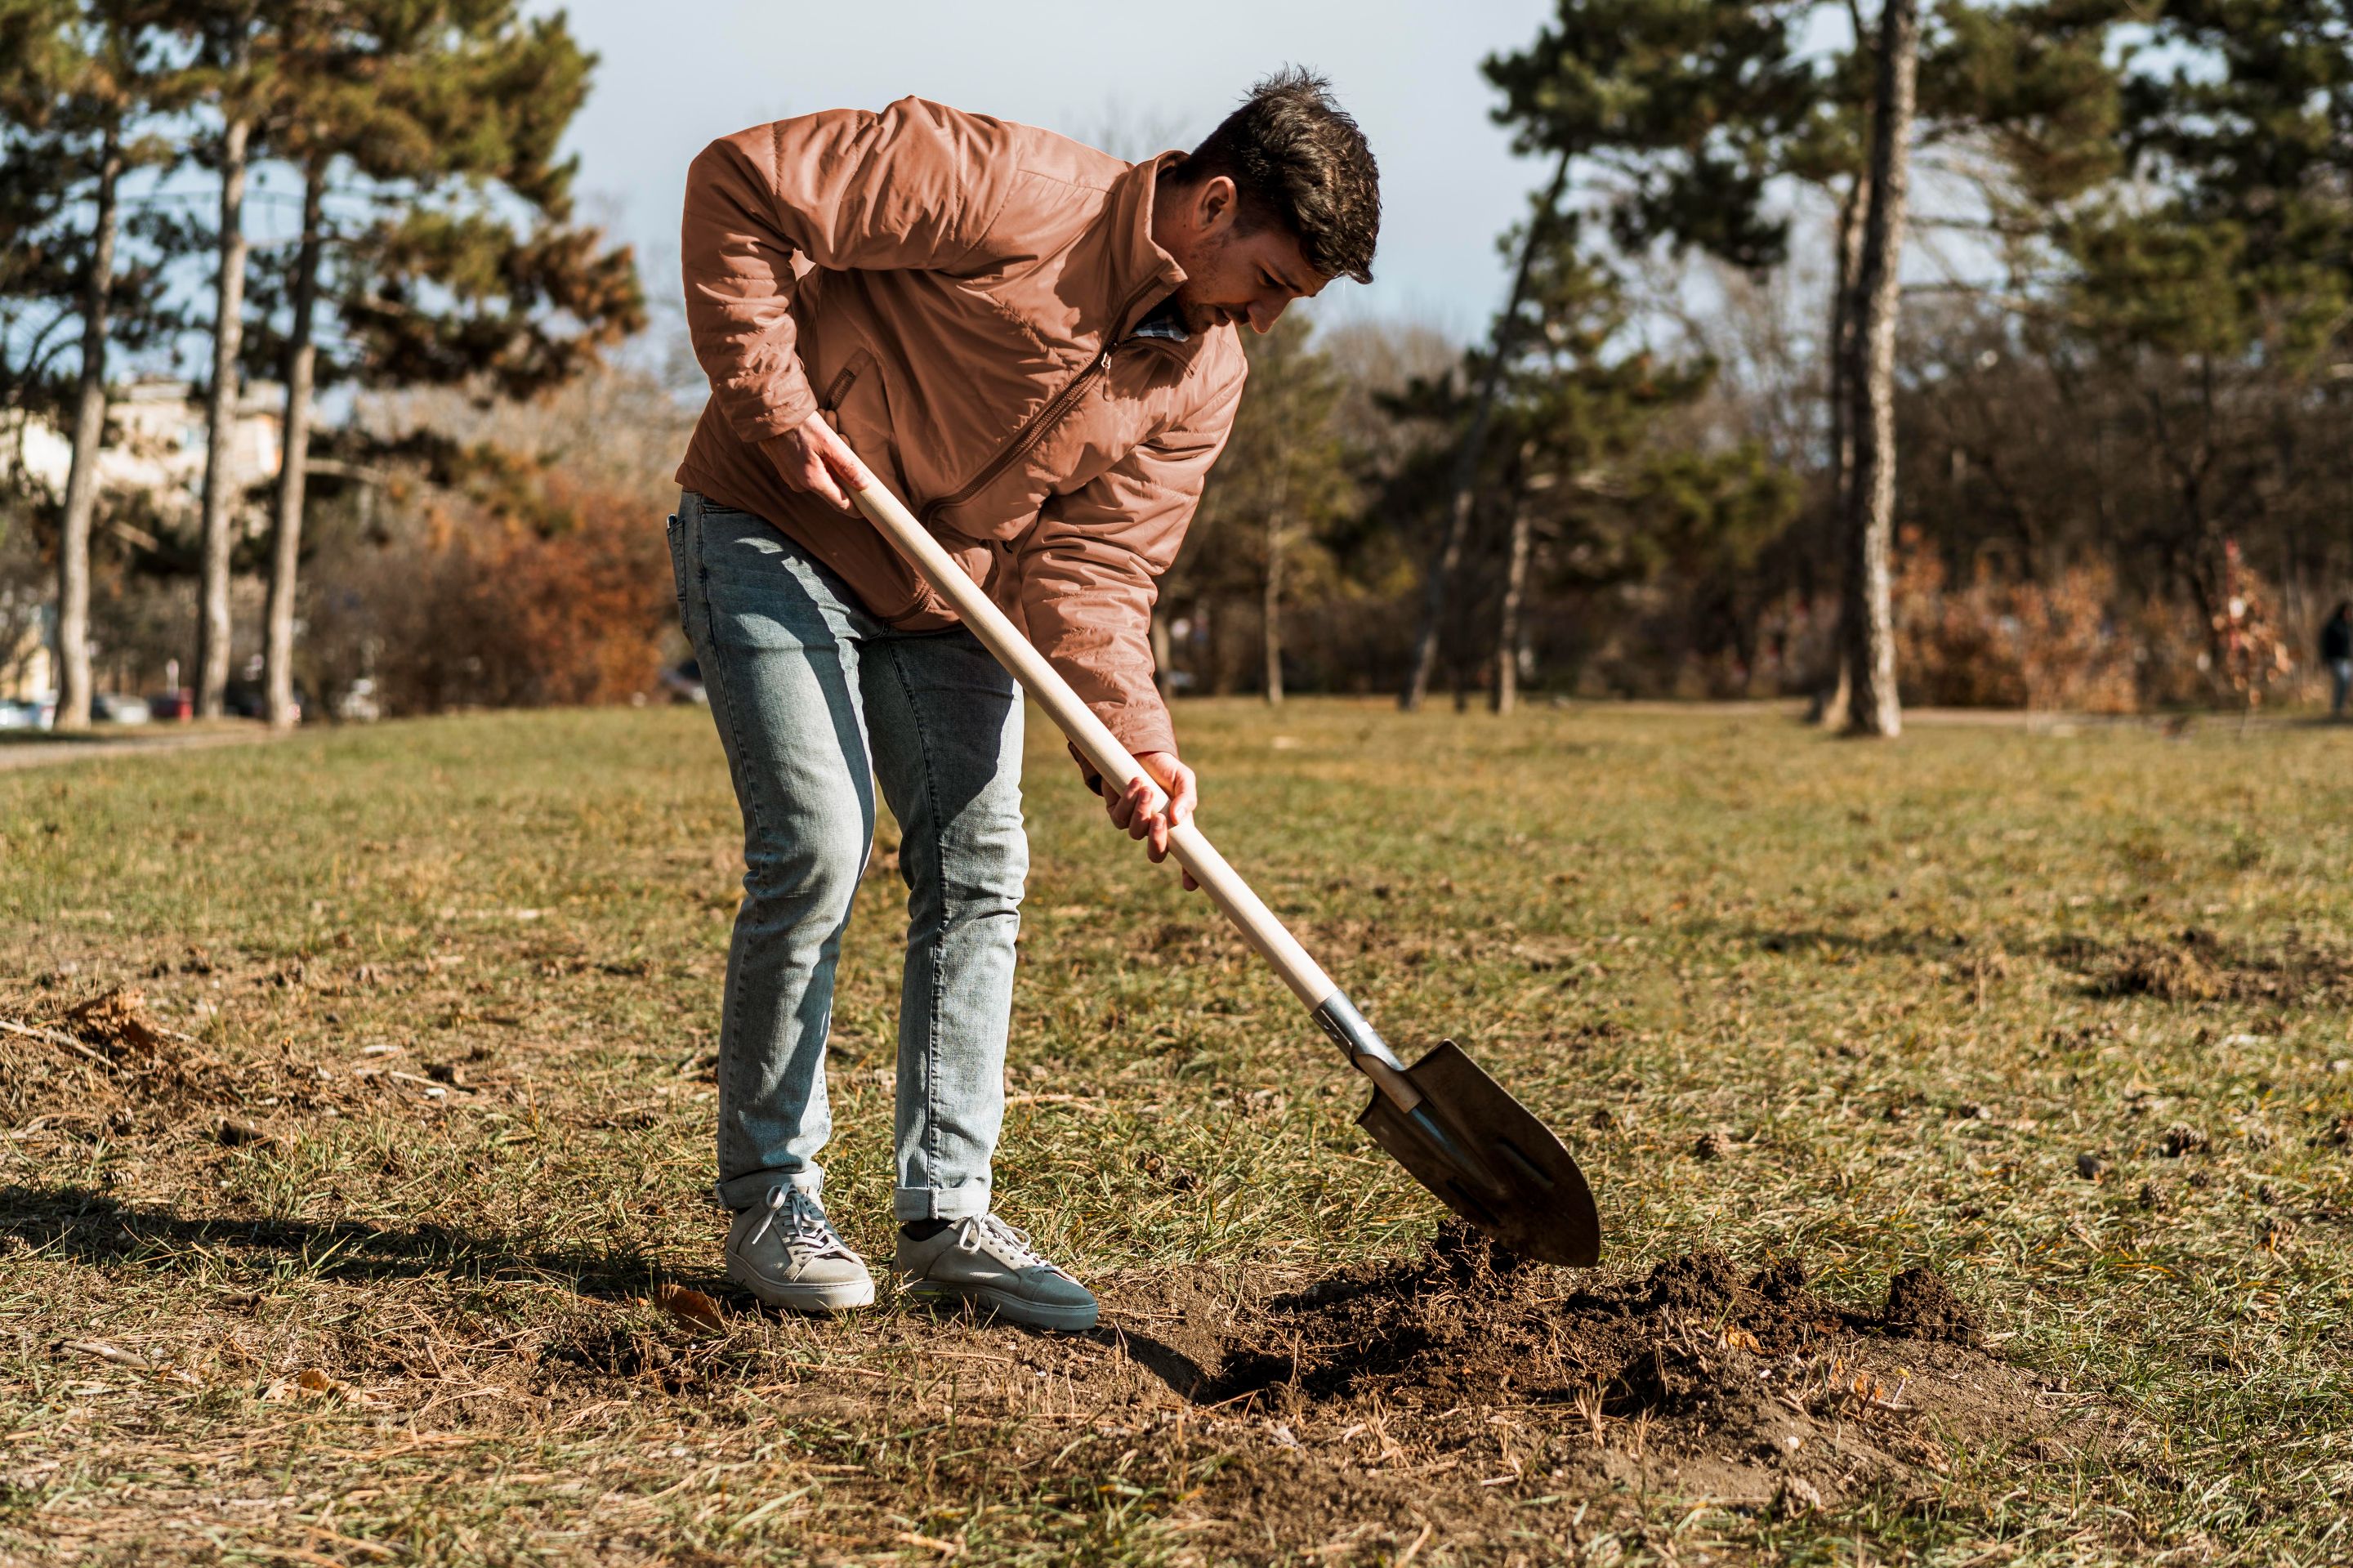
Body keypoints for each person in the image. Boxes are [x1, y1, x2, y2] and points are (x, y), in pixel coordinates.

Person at [669, 72, 1380, 1328]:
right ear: (1214, 203)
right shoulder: (1000, 185)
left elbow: (1098, 571)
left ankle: (948, 1211)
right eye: (1269, 283)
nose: (1265, 320)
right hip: (771, 521)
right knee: (821, 841)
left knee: (982, 858)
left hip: (946, 598)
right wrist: (773, 404)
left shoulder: (1203, 373)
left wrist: (1133, 744)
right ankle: (771, 1193)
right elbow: (739, 184)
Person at [2324, 601, 2353, 718]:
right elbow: (2326, 643)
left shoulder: (2349, 626)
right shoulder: (2334, 626)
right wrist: (2327, 658)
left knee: (2346, 683)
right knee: (2341, 682)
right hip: (2337, 659)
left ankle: (2341, 707)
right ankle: (2337, 708)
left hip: (2347, 659)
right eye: (2347, 611)